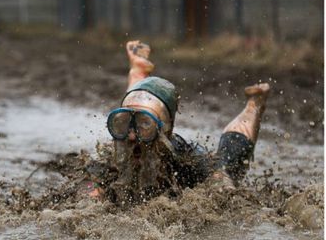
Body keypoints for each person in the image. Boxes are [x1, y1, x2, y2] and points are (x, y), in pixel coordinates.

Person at [103, 40, 270, 202]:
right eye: (123, 123)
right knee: (135, 113)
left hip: (200, 162)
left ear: (165, 131)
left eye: (145, 125)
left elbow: (225, 192)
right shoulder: (114, 153)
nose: (131, 137)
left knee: (229, 167)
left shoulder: (189, 161)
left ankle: (254, 105)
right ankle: (138, 72)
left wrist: (221, 191)